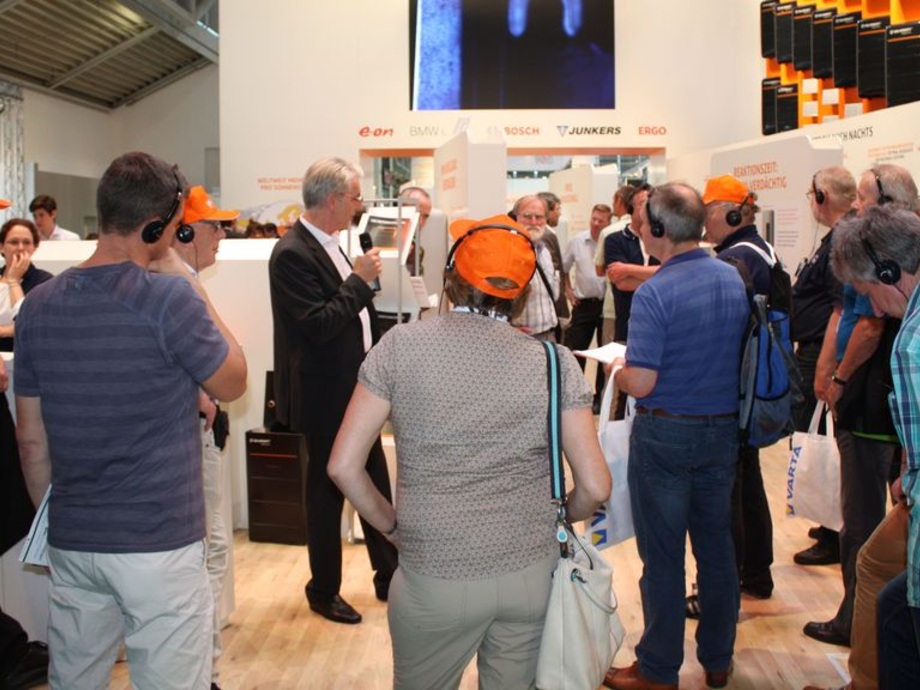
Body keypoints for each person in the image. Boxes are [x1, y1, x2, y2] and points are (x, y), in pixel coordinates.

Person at [327, 214, 610, 689]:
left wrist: (392, 526)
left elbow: (342, 466)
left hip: (434, 573)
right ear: (522, 292)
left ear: (451, 277)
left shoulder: (400, 346)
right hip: (530, 574)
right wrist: (560, 516)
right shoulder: (554, 361)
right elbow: (596, 486)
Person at [15, 151, 247, 689]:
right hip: (160, 543)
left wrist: (65, 520)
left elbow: (31, 441)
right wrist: (188, 283)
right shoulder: (169, 298)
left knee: (75, 678)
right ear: (157, 226)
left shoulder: (38, 306)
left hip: (74, 539)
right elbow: (233, 381)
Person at [604, 183, 750, 690]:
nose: (639, 228)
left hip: (665, 433)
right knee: (716, 549)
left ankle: (658, 668)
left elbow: (642, 381)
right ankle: (718, 659)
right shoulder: (730, 276)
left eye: (644, 221)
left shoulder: (655, 292)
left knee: (663, 555)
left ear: (660, 229)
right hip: (721, 432)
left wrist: (617, 369)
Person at [268, 157, 398, 625]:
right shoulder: (292, 254)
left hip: (356, 390)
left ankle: (389, 575)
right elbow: (319, 325)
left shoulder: (330, 244)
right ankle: (323, 590)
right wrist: (359, 280)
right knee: (326, 497)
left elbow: (351, 316)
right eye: (355, 197)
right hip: (324, 397)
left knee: (374, 483)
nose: (359, 206)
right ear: (333, 199)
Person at [803, 166, 912, 650]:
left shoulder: (907, 336)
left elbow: (866, 324)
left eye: (864, 198)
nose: (856, 205)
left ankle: (859, 636)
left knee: (864, 530)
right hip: (876, 410)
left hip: (869, 409)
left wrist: (839, 377)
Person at [825, 205, 920, 689]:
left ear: (889, 271)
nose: (876, 310)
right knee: (885, 589)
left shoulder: (911, 343)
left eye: (870, 293)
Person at [700, 175, 778, 606]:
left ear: (730, 213)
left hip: (735, 392)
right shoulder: (757, 250)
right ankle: (755, 574)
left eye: (706, 213)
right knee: (748, 485)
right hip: (753, 388)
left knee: (726, 495)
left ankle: (723, 591)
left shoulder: (737, 259)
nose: (702, 223)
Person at [173, 185, 240, 690]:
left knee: (211, 546)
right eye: (213, 226)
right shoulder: (178, 286)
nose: (221, 235)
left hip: (198, 426)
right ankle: (204, 671)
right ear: (183, 232)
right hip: (189, 433)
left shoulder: (182, 280)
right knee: (207, 547)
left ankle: (205, 666)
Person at [792, 166, 856, 568]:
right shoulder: (837, 238)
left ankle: (835, 533)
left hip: (821, 354)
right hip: (816, 350)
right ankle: (829, 524)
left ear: (822, 196)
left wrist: (825, 368)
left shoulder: (842, 241)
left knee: (826, 445)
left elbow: (840, 309)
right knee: (819, 440)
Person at [603, 183, 660, 419]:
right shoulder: (615, 239)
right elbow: (622, 283)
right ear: (631, 208)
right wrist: (660, 275)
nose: (647, 209)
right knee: (623, 396)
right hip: (626, 324)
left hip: (658, 327)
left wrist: (629, 269)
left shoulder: (661, 238)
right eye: (642, 204)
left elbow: (673, 271)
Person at [563, 203, 611, 413]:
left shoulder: (610, 242)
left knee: (603, 354)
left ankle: (599, 397)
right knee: (577, 351)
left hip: (605, 305)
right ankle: (575, 396)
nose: (596, 223)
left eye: (601, 220)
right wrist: (568, 291)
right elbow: (564, 268)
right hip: (583, 304)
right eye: (594, 218)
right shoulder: (577, 241)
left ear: (608, 222)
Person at [510, 195, 559, 341]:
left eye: (539, 217)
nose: (533, 222)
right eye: (527, 216)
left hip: (549, 336)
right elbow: (490, 299)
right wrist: (506, 328)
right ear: (516, 217)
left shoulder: (545, 252)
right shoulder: (507, 253)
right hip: (521, 339)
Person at [0, 218, 52, 351]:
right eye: (14, 242)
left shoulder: (44, 282)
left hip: (22, 354)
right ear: (2, 246)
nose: (20, 248)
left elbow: (31, 325)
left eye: (27, 243)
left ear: (34, 248)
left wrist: (14, 281)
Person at [595, 186, 633, 348]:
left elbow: (599, 269)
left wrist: (624, 271)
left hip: (613, 304)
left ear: (619, 200)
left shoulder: (609, 233)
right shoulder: (649, 232)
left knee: (611, 352)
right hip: (641, 305)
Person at [398, 186, 431, 276]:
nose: (420, 222)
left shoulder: (417, 251)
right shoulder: (380, 240)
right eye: (417, 214)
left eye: (425, 217)